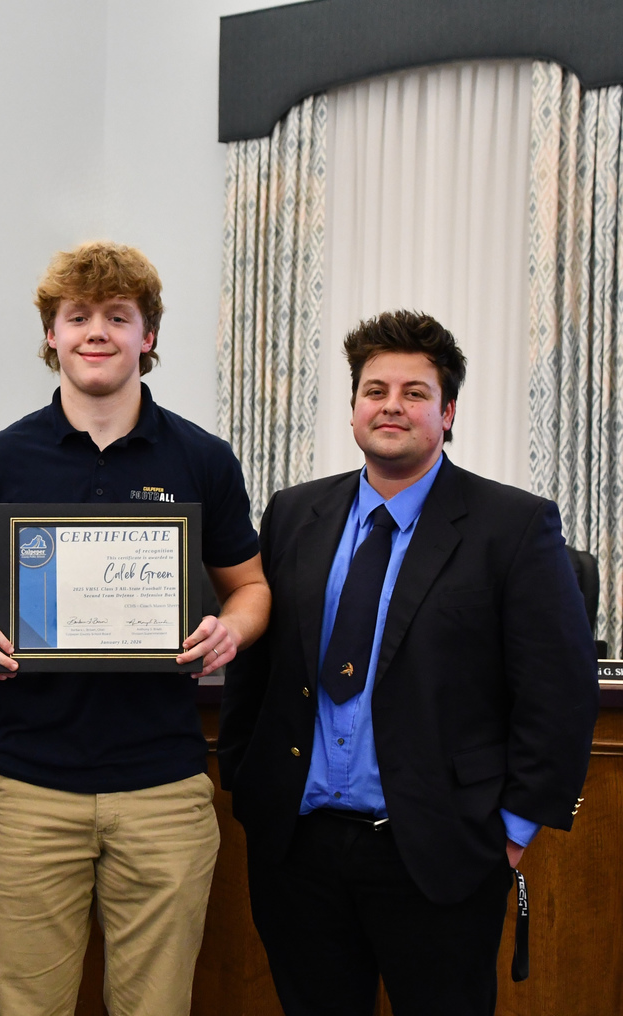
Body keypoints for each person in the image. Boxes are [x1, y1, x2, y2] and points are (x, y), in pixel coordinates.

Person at [218, 310, 600, 1016]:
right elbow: (257, 669)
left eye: (415, 392)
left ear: (447, 412)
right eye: (375, 389)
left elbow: (560, 692)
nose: (392, 404)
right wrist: (245, 781)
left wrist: (512, 834)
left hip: (439, 851)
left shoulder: (512, 526)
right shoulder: (293, 514)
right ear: (354, 407)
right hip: (299, 849)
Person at [0, 240, 270, 1016]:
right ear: (50, 335)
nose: (96, 332)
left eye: (118, 317)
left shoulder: (203, 459)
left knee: (155, 1007)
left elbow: (249, 587)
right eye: (77, 316)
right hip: (28, 783)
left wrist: (233, 631)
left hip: (164, 786)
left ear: (147, 337)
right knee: (26, 1006)